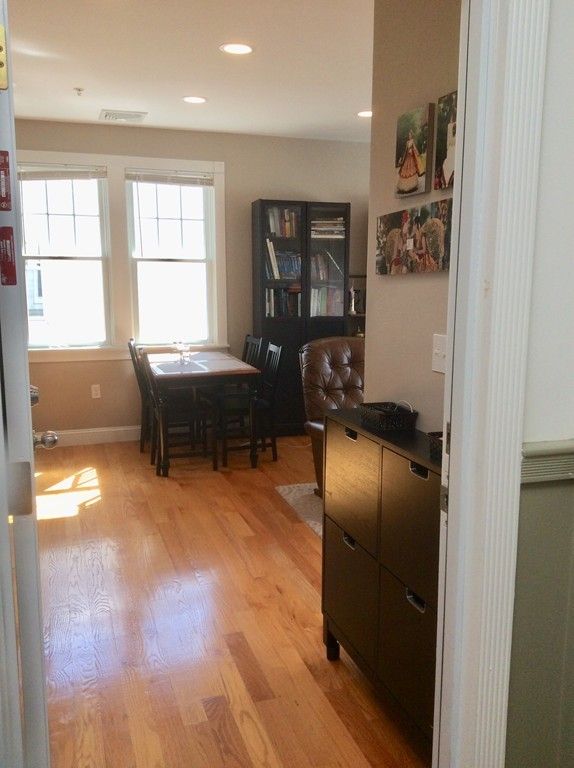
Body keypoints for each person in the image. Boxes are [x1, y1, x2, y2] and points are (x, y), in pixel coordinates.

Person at [396, 129, 423, 195]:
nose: (409, 136)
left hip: (411, 157)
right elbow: (406, 150)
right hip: (407, 157)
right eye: (409, 135)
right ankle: (404, 187)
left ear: (412, 135)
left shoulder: (412, 141)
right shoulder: (407, 142)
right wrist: (403, 157)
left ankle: (412, 186)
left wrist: (416, 153)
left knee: (411, 170)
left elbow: (414, 148)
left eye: (410, 135)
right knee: (405, 170)